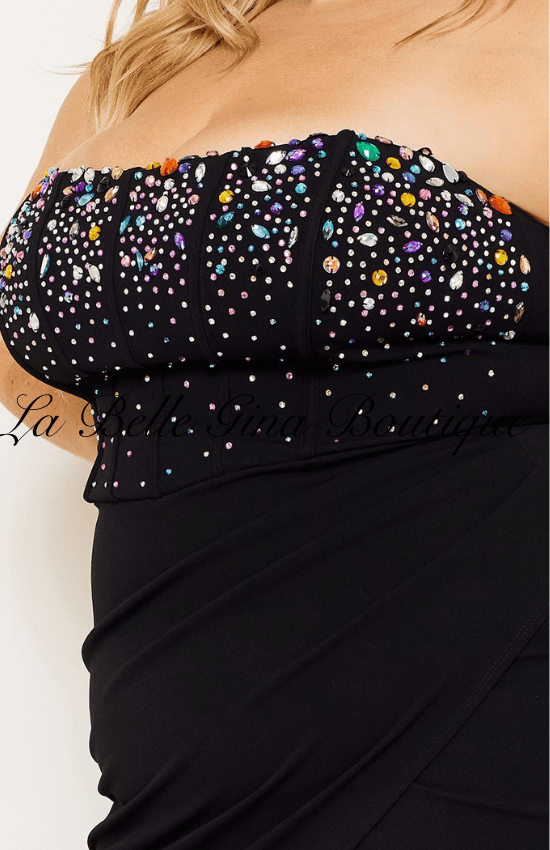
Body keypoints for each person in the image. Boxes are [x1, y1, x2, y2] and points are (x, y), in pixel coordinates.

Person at [0, 0, 548, 847]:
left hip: (477, 714)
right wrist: (250, 432)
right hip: (178, 765)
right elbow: (22, 370)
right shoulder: (152, 59)